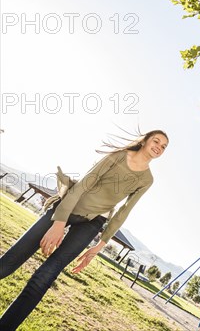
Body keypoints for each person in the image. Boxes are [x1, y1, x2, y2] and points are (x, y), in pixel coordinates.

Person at [0, 129, 169, 329]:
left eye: (163, 146)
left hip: (92, 223)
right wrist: (59, 222)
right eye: (156, 141)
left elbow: (125, 210)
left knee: (44, 277)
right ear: (145, 141)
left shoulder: (147, 180)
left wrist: (101, 243)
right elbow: (82, 185)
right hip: (69, 206)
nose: (159, 147)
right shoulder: (117, 156)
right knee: (10, 262)